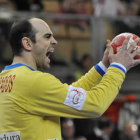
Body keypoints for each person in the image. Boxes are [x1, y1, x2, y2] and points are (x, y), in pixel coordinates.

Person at [0, 17, 140, 140]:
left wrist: (104, 66)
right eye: (47, 37)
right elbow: (95, 105)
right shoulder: (34, 82)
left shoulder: (6, 79)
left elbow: (73, 94)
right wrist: (119, 67)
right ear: (27, 43)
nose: (54, 41)